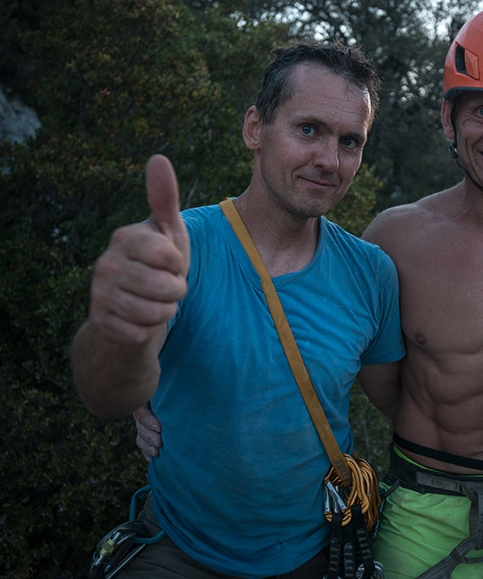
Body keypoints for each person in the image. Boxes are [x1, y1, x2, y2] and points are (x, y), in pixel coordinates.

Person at [136, 6, 483, 579]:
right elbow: (298, 336)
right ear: (448, 119)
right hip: (418, 508)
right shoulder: (394, 239)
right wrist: (149, 388)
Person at [71, 42, 405, 579]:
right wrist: (120, 330)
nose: (329, 159)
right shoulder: (182, 248)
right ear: (255, 128)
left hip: (314, 553)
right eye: (308, 130)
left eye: (350, 141)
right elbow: (105, 393)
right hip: (179, 549)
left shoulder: (372, 274)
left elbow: (404, 407)